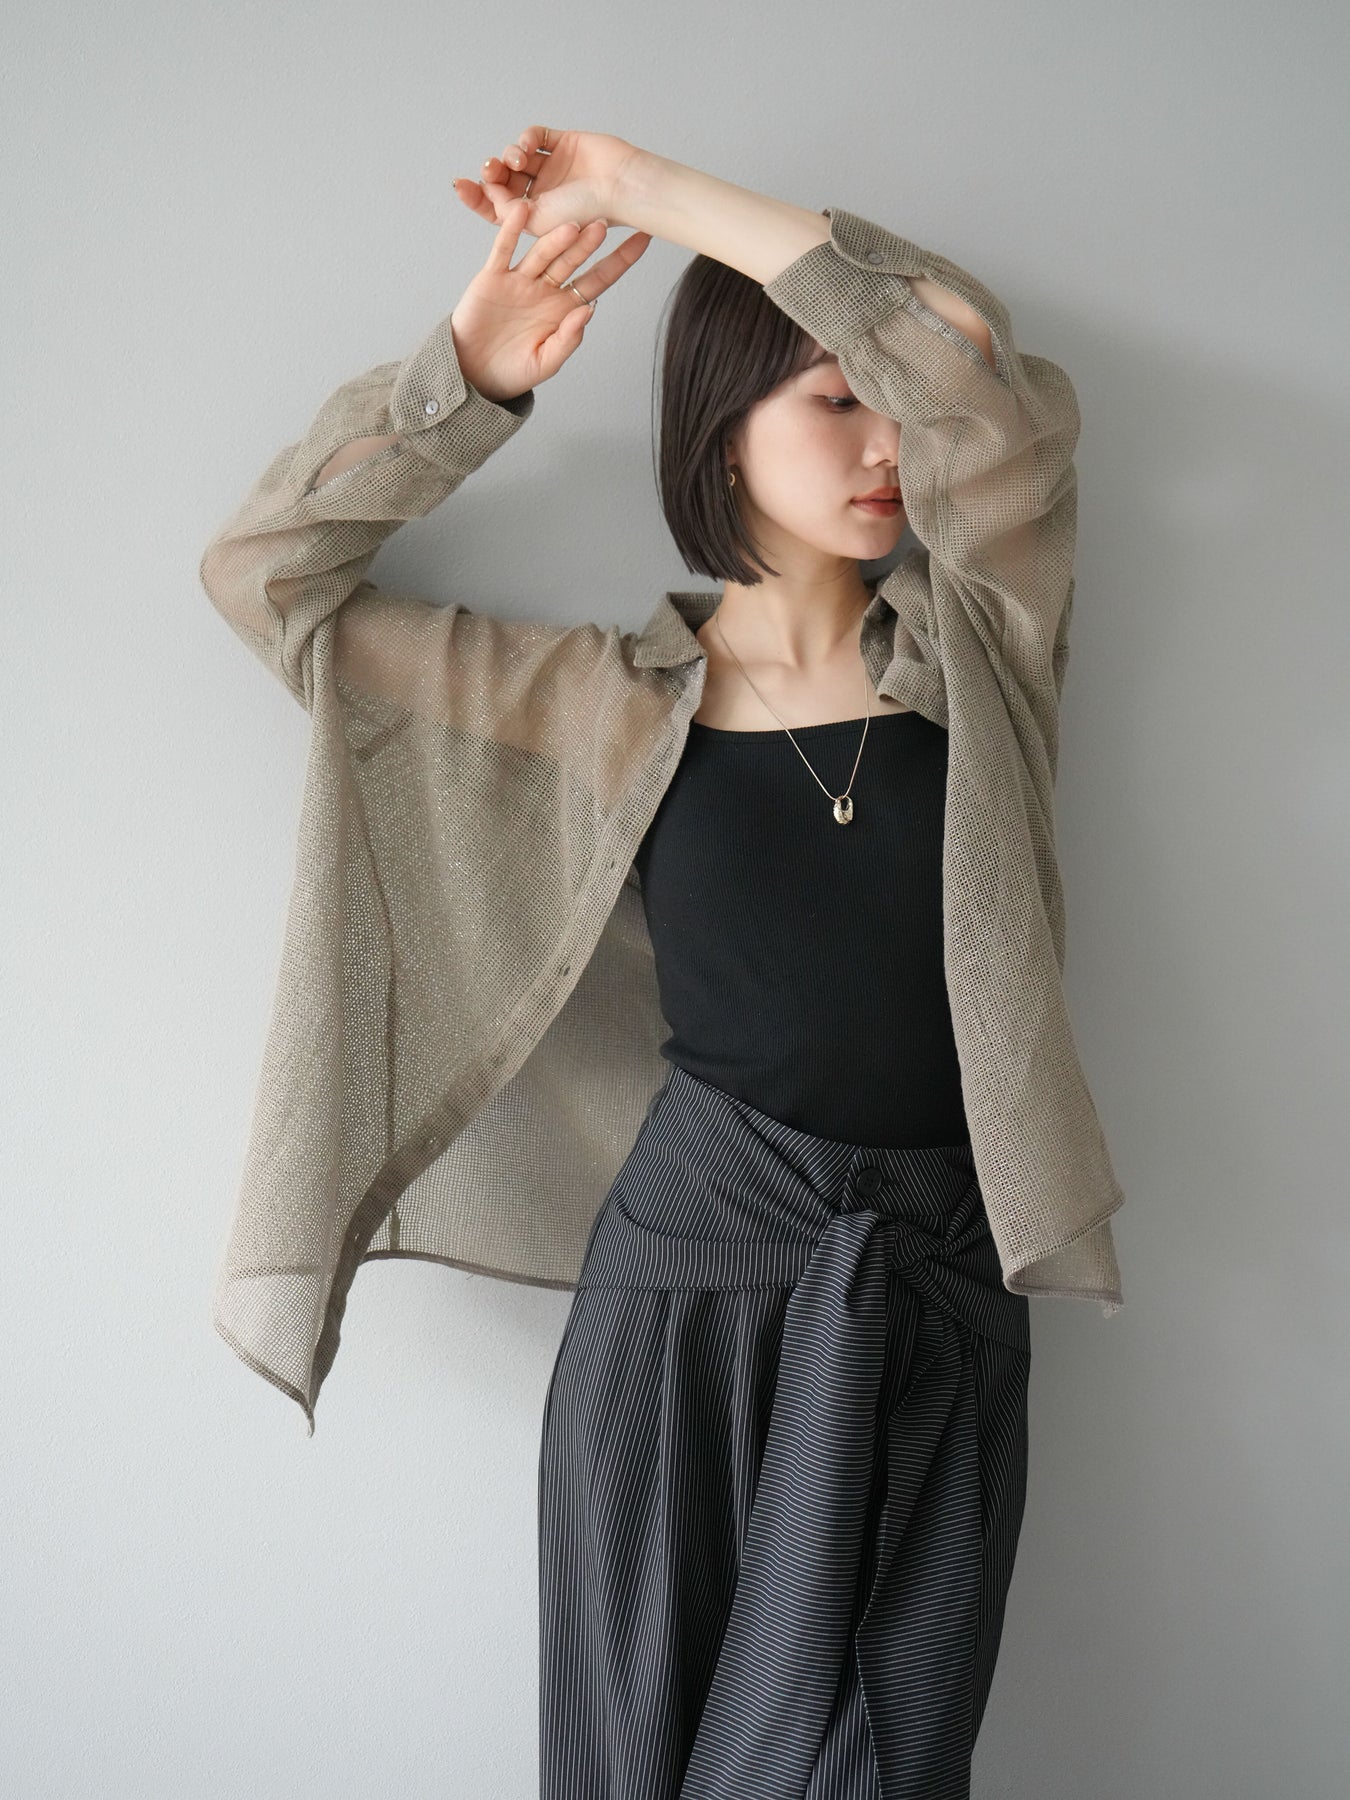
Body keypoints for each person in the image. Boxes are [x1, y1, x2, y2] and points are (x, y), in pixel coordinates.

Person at [202, 123, 1125, 1800]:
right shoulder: (590, 703)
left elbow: (968, 368)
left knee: (870, 1763)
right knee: (633, 1762)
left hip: (935, 1274)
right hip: (686, 1273)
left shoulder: (980, 651)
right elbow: (271, 579)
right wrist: (470, 376)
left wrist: (645, 194)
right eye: (830, 401)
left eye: (884, 402)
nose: (885, 441)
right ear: (721, 429)